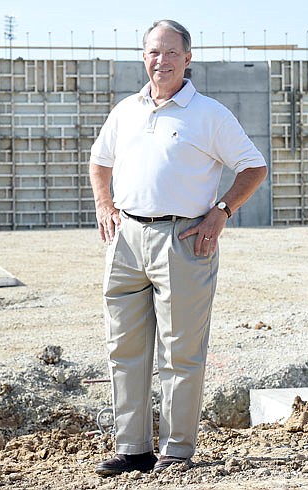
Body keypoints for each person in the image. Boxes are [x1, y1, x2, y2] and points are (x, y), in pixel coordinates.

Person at [89, 19, 268, 475]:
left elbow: (253, 166)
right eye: (153, 51)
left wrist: (222, 211)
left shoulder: (209, 114)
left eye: (171, 52)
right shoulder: (127, 110)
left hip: (184, 240)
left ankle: (176, 450)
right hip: (126, 239)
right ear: (143, 56)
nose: (161, 60)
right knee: (124, 350)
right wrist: (105, 205)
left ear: (188, 59)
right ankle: (133, 449)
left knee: (180, 352)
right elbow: (99, 161)